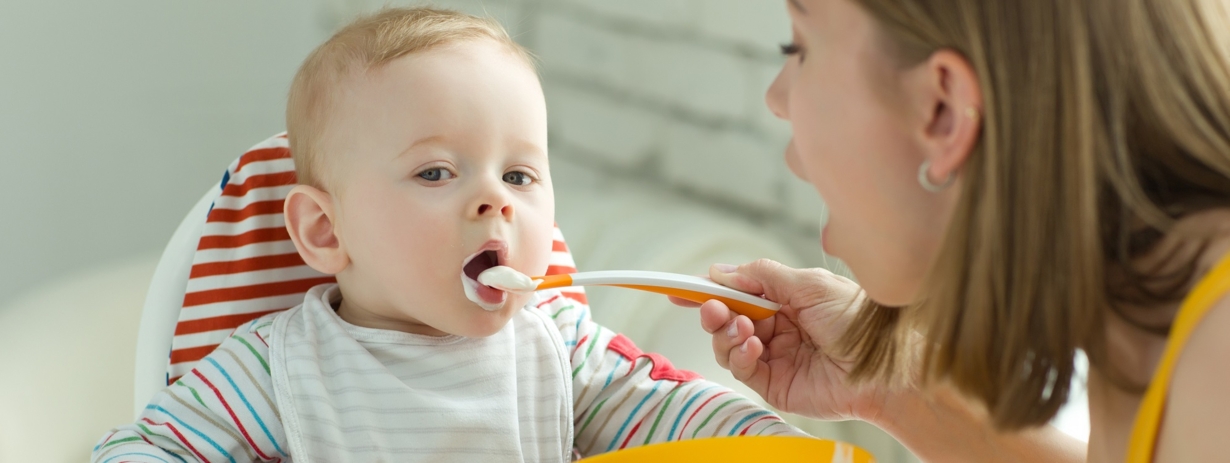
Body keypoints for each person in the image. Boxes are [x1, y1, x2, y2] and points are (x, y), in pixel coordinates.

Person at [90, 8, 808, 462]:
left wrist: (768, 442)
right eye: (436, 173)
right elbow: (145, 447)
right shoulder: (278, 369)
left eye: (521, 176)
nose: (494, 200)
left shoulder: (558, 346)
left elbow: (668, 410)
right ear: (324, 228)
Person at [684, 0, 1230, 461]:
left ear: (944, 112)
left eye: (798, 49)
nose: (777, 98)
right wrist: (889, 385)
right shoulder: (1153, 332)